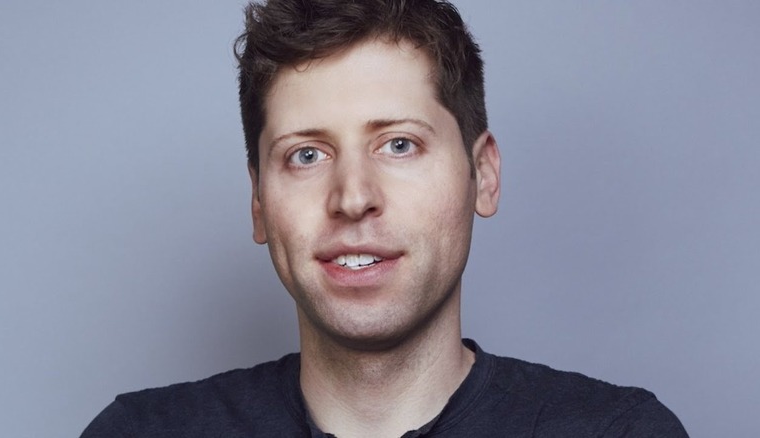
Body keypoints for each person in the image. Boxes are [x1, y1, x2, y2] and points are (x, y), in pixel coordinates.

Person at [81, 0, 688, 436]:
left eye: (398, 144)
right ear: (259, 202)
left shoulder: (618, 432)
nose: (352, 197)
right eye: (307, 154)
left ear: (485, 174)